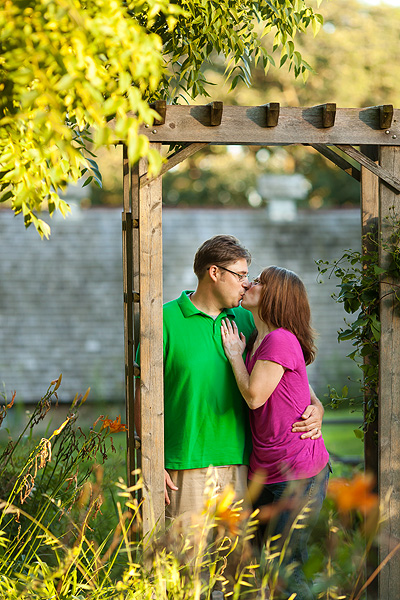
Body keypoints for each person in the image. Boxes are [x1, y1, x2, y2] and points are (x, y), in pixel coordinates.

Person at [135, 235, 324, 523]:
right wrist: (152, 458)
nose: (246, 284)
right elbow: (143, 392)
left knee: (236, 565)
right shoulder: (163, 321)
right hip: (184, 465)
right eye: (241, 275)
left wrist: (316, 405)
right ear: (214, 272)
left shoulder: (248, 319)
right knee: (186, 563)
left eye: (249, 277)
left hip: (242, 466)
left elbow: (284, 371)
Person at [220, 265, 330, 600]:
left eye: (262, 282)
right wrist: (318, 405)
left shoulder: (279, 339)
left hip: (298, 473)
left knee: (285, 566)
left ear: (277, 296)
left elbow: (254, 397)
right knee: (262, 564)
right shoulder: (259, 337)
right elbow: (298, 389)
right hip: (267, 471)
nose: (252, 283)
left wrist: (235, 357)